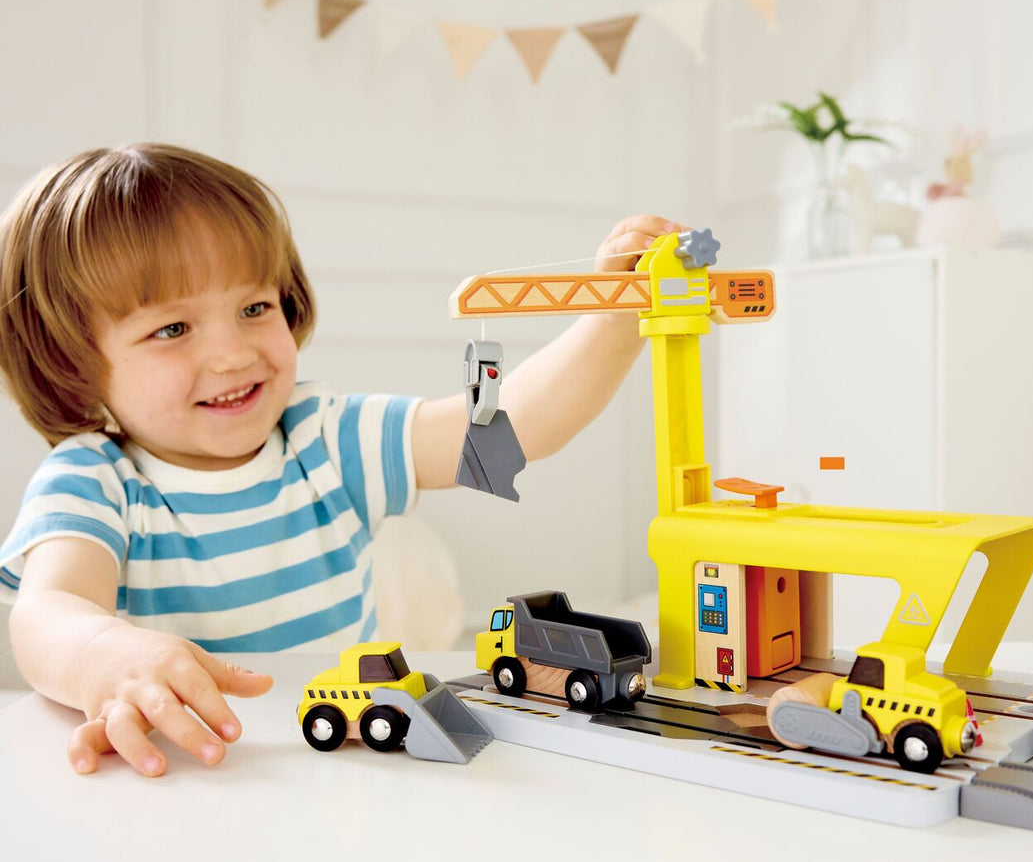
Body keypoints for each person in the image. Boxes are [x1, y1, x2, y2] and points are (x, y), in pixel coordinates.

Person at [0, 143, 678, 778]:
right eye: (173, 329)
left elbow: (511, 430)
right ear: (73, 368)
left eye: (254, 306)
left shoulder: (326, 439)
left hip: (343, 765)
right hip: (192, 772)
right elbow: (45, 611)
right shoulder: (92, 480)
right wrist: (104, 657)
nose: (234, 353)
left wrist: (613, 320)